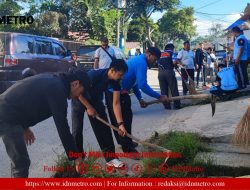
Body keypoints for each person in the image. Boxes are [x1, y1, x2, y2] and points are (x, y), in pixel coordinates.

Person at [0, 70, 90, 177]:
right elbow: (63, 128)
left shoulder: (54, 82)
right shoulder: (58, 91)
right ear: (75, 84)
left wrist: (25, 128)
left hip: (7, 111)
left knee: (19, 161)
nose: (78, 96)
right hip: (7, 117)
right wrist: (77, 158)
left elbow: (25, 100)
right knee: (21, 163)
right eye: (80, 92)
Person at [105, 47, 169, 155]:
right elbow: (143, 85)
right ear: (149, 54)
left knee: (124, 119)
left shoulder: (139, 60)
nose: (155, 61)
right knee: (124, 120)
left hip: (120, 91)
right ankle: (128, 149)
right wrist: (159, 96)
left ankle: (125, 142)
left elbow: (135, 83)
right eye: (155, 58)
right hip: (115, 92)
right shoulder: (142, 63)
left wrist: (140, 99)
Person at [71, 59, 129, 167]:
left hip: (95, 99)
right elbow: (78, 93)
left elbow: (116, 104)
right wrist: (88, 107)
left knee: (104, 128)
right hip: (79, 98)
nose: (121, 77)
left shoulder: (116, 82)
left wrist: (120, 125)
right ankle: (78, 159)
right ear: (112, 70)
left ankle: (111, 158)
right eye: (120, 74)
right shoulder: (93, 75)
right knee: (77, 130)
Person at [157, 43, 180, 110]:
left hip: (160, 73)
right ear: (171, 48)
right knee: (174, 89)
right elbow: (174, 62)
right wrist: (176, 66)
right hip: (169, 72)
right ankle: (177, 105)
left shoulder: (160, 54)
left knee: (163, 90)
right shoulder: (172, 53)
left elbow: (157, 63)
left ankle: (167, 106)